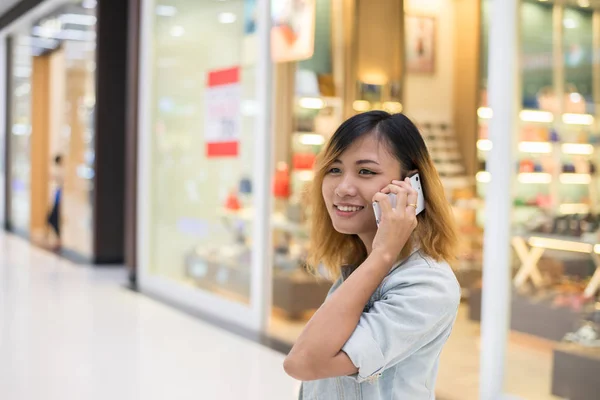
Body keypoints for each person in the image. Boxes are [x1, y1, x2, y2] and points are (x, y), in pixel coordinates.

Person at [283, 111, 460, 399]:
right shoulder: (364, 265)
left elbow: (303, 362)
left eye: (366, 171)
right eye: (334, 169)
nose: (343, 188)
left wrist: (383, 253)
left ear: (411, 186)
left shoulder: (428, 285)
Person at [47, 154, 64, 250]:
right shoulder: (57, 170)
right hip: (56, 196)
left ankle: (58, 239)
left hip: (58, 197)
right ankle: (57, 238)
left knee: (53, 218)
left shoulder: (60, 171)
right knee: (52, 218)